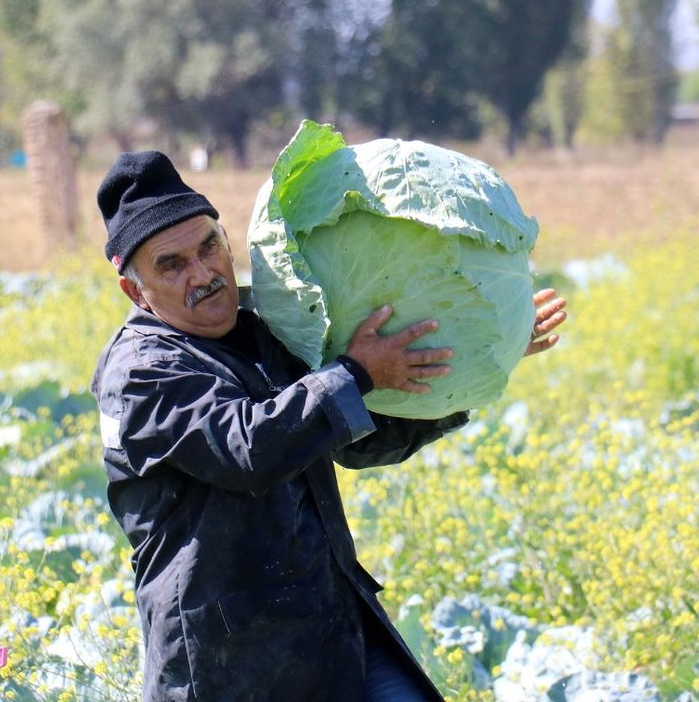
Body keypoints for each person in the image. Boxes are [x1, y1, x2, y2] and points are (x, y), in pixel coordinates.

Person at [89, 151, 566, 702]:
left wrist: (476, 356)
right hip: (231, 661)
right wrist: (357, 371)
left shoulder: (260, 334)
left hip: (328, 628)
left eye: (208, 247)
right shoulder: (142, 371)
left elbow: (357, 442)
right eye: (171, 265)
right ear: (135, 290)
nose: (203, 275)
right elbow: (250, 448)